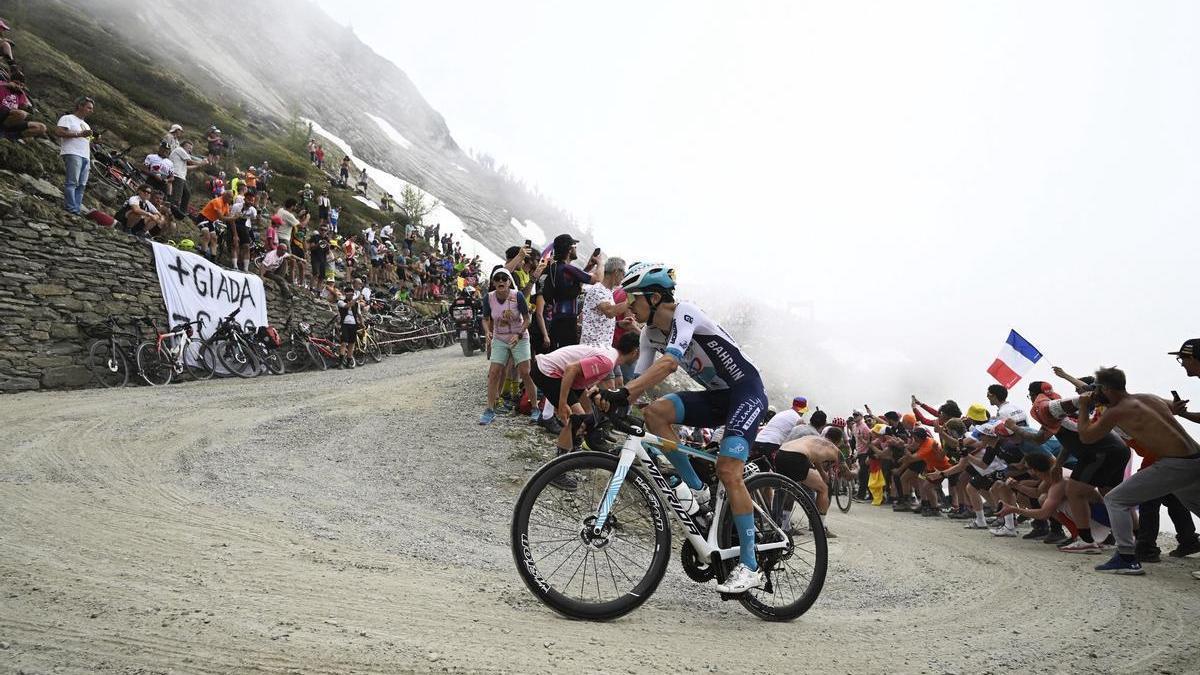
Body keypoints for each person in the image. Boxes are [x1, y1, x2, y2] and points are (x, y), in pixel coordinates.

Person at [600, 262, 767, 594]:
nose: (628, 307)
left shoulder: (685, 313)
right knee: (655, 414)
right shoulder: (649, 334)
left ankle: (750, 566)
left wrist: (625, 393)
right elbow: (638, 383)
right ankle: (698, 490)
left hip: (746, 392)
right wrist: (608, 401)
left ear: (655, 297)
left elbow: (669, 363)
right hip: (718, 398)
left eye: (633, 298)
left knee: (728, 469)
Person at [1079, 367, 1200, 576]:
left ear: (1106, 389)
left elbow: (1086, 437)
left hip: (1176, 464)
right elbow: (1175, 408)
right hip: (1195, 457)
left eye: (1097, 389)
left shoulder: (1116, 411)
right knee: (1195, 504)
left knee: (1115, 499)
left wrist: (1083, 407)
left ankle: (1126, 558)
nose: (1095, 393)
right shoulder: (1150, 398)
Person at [532, 333, 642, 489]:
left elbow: (582, 374)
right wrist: (562, 404)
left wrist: (595, 394)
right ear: (636, 351)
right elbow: (571, 369)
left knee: (589, 414)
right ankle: (556, 472)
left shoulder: (611, 355)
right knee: (576, 419)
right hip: (548, 371)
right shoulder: (608, 361)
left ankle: (574, 452)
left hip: (558, 372)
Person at [479, 268, 539, 425]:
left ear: (509, 282)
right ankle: (490, 409)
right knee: (494, 372)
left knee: (525, 372)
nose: (501, 281)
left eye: (504, 278)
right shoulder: (488, 298)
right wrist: (487, 331)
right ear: (493, 283)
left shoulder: (517, 296)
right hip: (500, 338)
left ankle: (535, 408)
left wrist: (519, 334)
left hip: (519, 336)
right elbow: (485, 318)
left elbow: (527, 319)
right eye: (497, 279)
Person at [541, 234, 601, 349]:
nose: (576, 249)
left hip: (556, 319)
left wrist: (588, 267)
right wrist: (600, 263)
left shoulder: (555, 268)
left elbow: (572, 284)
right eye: (575, 246)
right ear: (569, 249)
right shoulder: (567, 269)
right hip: (567, 321)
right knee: (566, 354)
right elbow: (597, 279)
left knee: (557, 353)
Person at [54, 96, 94, 215]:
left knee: (81, 185)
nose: (91, 111)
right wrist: (79, 134)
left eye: (91, 108)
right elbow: (59, 132)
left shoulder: (86, 125)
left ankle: (76, 209)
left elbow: (86, 139)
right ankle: (71, 208)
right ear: (80, 106)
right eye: (89, 108)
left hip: (85, 155)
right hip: (72, 152)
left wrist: (95, 140)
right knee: (72, 182)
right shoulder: (67, 118)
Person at [751, 397, 808, 466]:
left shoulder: (782, 413)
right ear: (802, 410)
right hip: (772, 445)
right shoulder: (798, 419)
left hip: (756, 441)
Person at [0, 72, 45, 140]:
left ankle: (9, 137)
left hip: (10, 119)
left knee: (41, 127)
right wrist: (6, 84)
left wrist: (28, 107)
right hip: (2, 113)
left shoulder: (20, 93)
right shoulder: (2, 85)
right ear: (10, 81)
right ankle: (1, 131)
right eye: (16, 83)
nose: (18, 86)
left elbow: (24, 106)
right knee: (21, 114)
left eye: (21, 85)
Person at [336, 286, 360, 368]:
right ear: (345, 294)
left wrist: (362, 323)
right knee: (343, 343)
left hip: (354, 324)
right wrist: (356, 299)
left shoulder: (356, 304)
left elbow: (359, 314)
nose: (351, 295)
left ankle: (349, 362)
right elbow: (347, 306)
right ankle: (340, 363)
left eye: (352, 293)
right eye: (349, 293)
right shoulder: (340, 302)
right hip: (345, 324)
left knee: (351, 343)